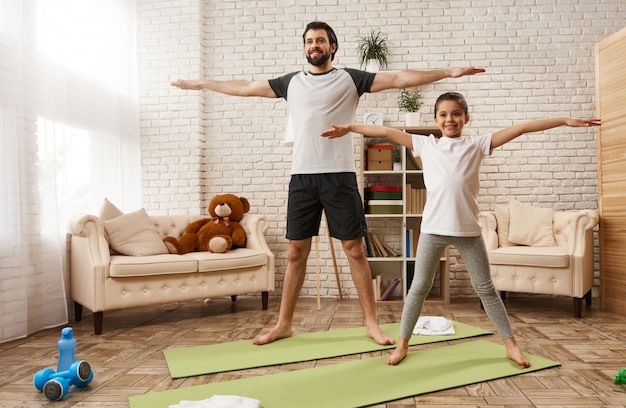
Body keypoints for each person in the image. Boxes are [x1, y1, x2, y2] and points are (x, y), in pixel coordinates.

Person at [171, 21, 485, 346]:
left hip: (340, 178)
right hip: (302, 179)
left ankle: (371, 325)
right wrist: (202, 84)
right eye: (309, 41)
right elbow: (246, 86)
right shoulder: (290, 83)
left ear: (332, 46)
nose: (314, 45)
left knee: (355, 250)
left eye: (320, 40)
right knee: (296, 252)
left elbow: (399, 78)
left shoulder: (351, 78)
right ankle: (284, 324)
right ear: (305, 47)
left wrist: (450, 71)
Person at [321, 91, 600, 367]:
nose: (449, 119)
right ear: (435, 119)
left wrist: (564, 120)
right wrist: (349, 127)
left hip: (468, 231)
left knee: (487, 290)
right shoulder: (425, 145)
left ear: (466, 118)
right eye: (443, 114)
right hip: (432, 230)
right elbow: (384, 131)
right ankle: (403, 345)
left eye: (456, 114)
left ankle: (511, 346)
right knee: (418, 288)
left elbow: (523, 128)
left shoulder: (477, 145)